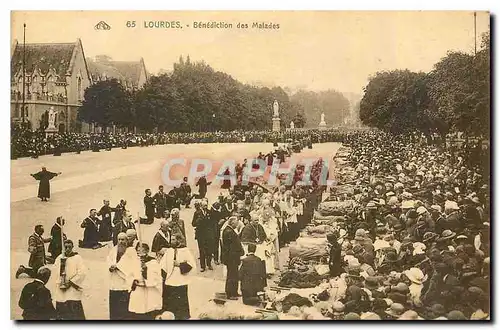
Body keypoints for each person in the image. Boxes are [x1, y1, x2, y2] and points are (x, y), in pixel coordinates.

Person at [160, 234, 196, 320]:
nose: (171, 241)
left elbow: (192, 265)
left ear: (178, 240)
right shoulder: (169, 251)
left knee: (181, 300)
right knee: (170, 300)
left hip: (181, 279)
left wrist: (180, 264)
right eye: (171, 239)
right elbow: (162, 265)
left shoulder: (185, 251)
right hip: (170, 279)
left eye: (173, 240)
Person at [53, 240, 87, 320]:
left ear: (72, 247)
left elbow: (82, 272)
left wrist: (71, 282)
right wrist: (61, 279)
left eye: (69, 247)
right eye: (66, 247)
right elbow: (55, 271)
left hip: (72, 289)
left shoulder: (77, 258)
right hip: (62, 288)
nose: (67, 249)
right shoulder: (59, 258)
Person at [128, 243, 163, 320]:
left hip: (149, 291)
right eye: (138, 251)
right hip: (138, 291)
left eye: (142, 251)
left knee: (149, 312)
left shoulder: (153, 262)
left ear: (147, 251)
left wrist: (146, 270)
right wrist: (133, 281)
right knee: (138, 312)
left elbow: (156, 278)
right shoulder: (134, 261)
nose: (140, 254)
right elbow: (129, 275)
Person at [107, 232, 134, 320]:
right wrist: (110, 266)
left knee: (124, 310)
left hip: (124, 284)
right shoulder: (113, 250)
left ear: (127, 240)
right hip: (114, 283)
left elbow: (131, 265)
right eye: (119, 239)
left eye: (123, 239)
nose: (121, 241)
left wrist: (118, 266)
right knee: (114, 308)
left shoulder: (131, 251)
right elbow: (109, 260)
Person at [221, 216, 245, 300]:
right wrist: (240, 252)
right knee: (231, 275)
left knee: (234, 275)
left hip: (233, 257)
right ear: (232, 223)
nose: (237, 224)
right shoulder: (228, 232)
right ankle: (230, 294)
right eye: (236, 222)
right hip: (232, 258)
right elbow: (233, 246)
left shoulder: (230, 230)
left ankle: (234, 292)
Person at [192, 200, 216, 272]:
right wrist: (198, 221)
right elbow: (193, 223)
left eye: (206, 205)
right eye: (204, 205)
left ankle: (209, 264)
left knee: (209, 250)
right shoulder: (197, 213)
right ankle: (203, 266)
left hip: (208, 234)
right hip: (201, 235)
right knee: (202, 250)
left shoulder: (209, 212)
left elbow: (212, 222)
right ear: (201, 206)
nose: (206, 207)